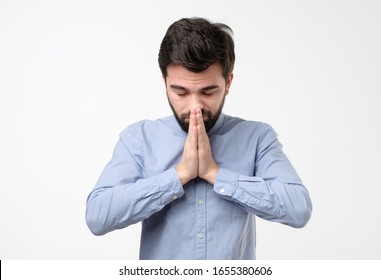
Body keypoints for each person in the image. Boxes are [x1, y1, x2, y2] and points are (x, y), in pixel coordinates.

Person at [85, 17, 312, 260]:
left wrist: (215, 173)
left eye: (208, 91)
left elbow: (298, 209)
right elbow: (98, 216)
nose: (195, 106)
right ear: (165, 83)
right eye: (181, 91)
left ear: (228, 83)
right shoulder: (139, 139)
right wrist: (179, 175)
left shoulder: (257, 138)